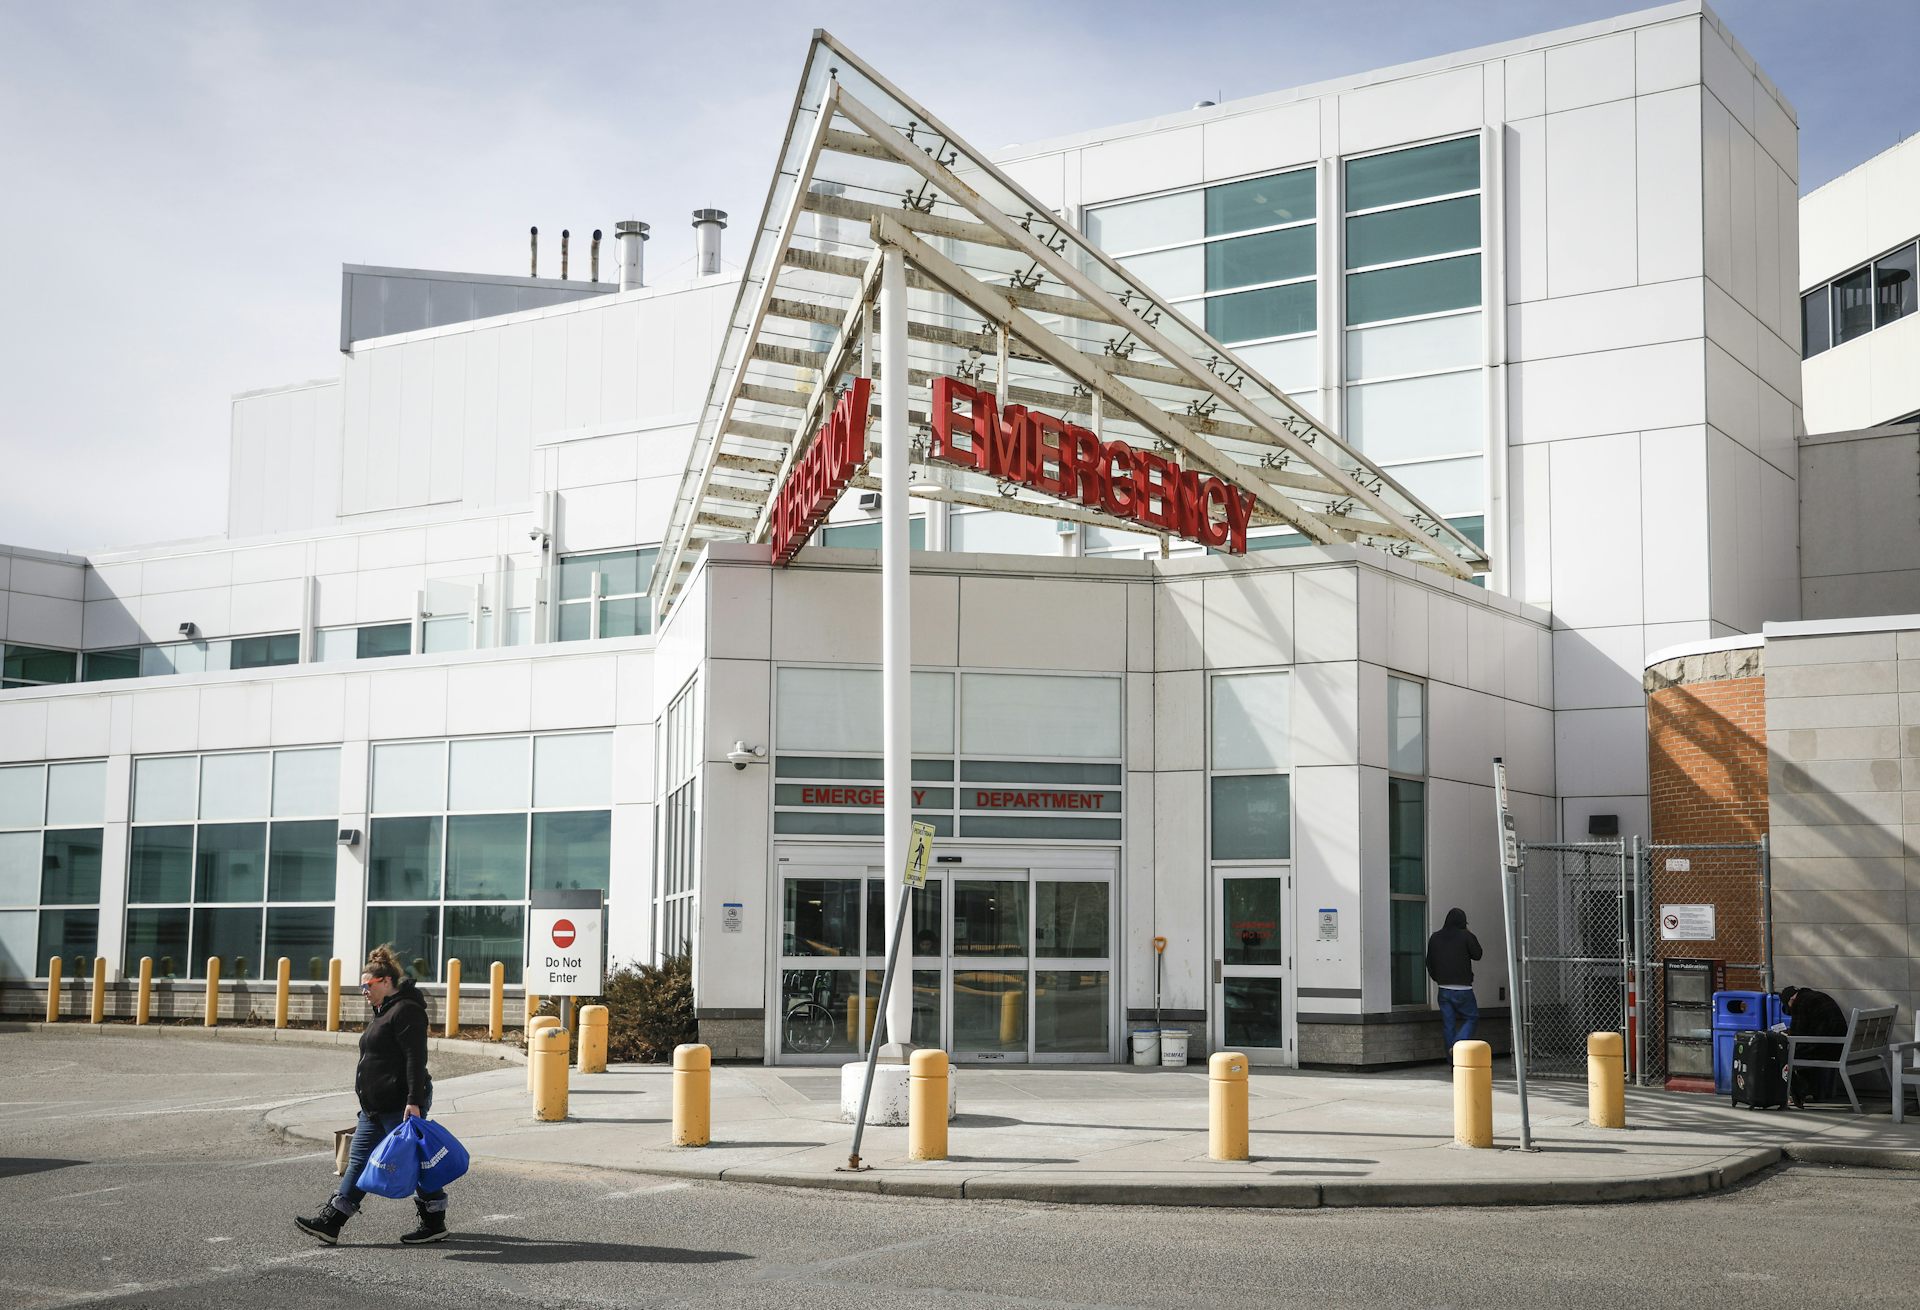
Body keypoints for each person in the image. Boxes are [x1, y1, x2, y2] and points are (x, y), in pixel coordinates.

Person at [296, 945, 450, 1245]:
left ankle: (434, 1222)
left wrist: (414, 1102)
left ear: (386, 981)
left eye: (367, 985)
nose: (363, 991)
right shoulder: (383, 1011)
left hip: (400, 1104)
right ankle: (331, 1223)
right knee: (359, 1161)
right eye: (361, 986)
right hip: (374, 1107)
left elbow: (416, 1059)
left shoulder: (406, 1011)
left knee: (415, 1163)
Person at [1425, 908, 1483, 1051]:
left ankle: (1452, 1060)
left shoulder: (1435, 937)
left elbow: (1429, 962)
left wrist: (1437, 978)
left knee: (1448, 1024)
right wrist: (1469, 933)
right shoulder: (1465, 936)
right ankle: (1457, 1046)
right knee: (1472, 1018)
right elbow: (1477, 954)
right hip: (1463, 988)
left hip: (1443, 988)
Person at [1780, 985, 1847, 1109]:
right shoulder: (1817, 996)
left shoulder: (1800, 1003)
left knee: (1782, 1055)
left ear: (1791, 1000)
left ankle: (1796, 1092)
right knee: (1801, 1051)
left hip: (1828, 1050)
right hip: (1838, 1045)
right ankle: (1808, 1090)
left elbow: (1797, 1035)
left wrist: (1784, 1036)